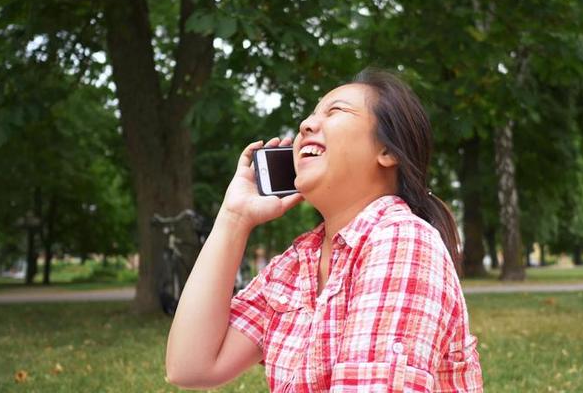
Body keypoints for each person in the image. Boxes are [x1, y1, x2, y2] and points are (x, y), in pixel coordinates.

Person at [165, 69, 483, 392]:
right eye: (311, 115)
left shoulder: (404, 240)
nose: (306, 125)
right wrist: (234, 218)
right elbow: (190, 366)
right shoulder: (293, 266)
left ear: (387, 152)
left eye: (335, 111)